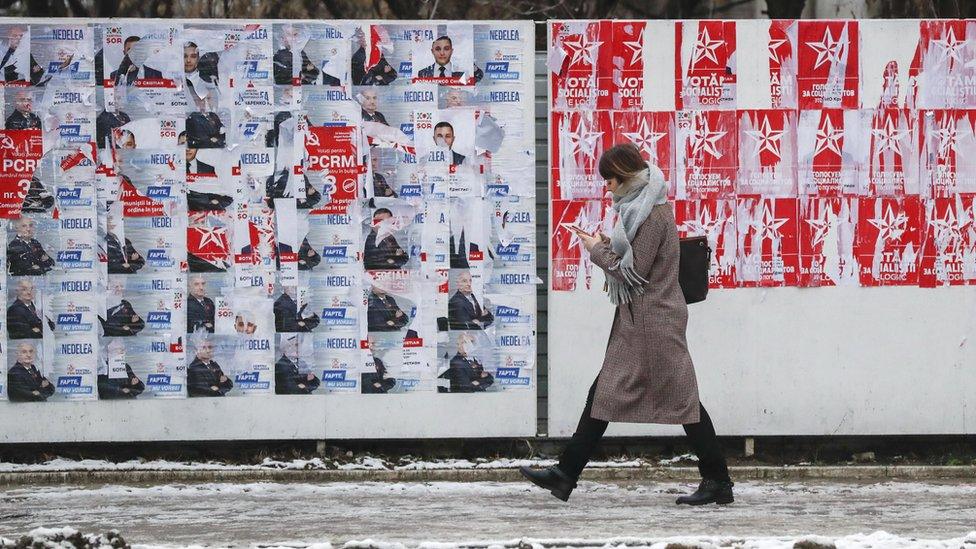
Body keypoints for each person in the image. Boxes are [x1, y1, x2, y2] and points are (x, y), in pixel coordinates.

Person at [519, 144, 734, 505]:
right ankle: (565, 474)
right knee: (604, 393)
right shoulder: (638, 207)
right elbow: (633, 256)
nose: (607, 187)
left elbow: (631, 273)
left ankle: (718, 481)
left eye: (609, 180)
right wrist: (605, 243)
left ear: (624, 176)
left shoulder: (652, 214)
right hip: (641, 319)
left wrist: (594, 250)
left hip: (654, 322)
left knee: (684, 403)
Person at [417, 35, 483, 82]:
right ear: (432, 51)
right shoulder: (423, 73)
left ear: (451, 51)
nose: (442, 53)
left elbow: (478, 76)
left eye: (446, 49)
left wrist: (470, 64)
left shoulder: (461, 73)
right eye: (438, 49)